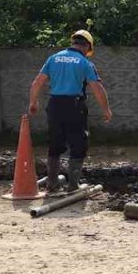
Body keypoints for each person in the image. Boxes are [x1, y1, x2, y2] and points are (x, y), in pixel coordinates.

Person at [28, 30, 113, 195]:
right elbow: (97, 88)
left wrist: (33, 102)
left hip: (54, 105)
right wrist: (106, 109)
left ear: (73, 42)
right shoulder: (84, 62)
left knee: (55, 143)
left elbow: (37, 81)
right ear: (87, 46)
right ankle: (73, 185)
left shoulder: (53, 58)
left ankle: (52, 184)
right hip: (74, 106)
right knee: (78, 143)